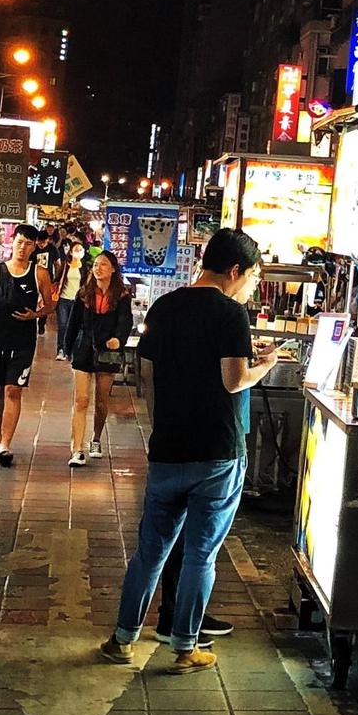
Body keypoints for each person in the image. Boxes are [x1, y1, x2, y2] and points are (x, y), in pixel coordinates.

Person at [99, 228, 272, 672]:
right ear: (235, 271)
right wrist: (265, 366)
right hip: (217, 452)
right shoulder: (231, 314)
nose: (250, 287)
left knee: (151, 550)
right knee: (200, 553)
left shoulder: (165, 306)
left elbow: (149, 376)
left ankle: (122, 639)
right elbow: (233, 380)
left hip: (168, 448)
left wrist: (164, 426)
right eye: (251, 278)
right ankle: (184, 647)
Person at [0, 224, 58, 467]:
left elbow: (50, 306)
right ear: (12, 242)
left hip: (23, 341)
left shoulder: (40, 274)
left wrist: (35, 315)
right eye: (19, 242)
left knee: (12, 390)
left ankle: (6, 443)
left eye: (28, 244)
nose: (22, 247)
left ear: (33, 248)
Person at [69, 248, 134, 467]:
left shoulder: (122, 295)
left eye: (104, 264)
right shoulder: (84, 292)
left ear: (113, 269)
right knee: (81, 400)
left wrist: (119, 339)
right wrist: (66, 348)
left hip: (108, 351)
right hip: (84, 348)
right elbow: (73, 322)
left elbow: (126, 321)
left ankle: (96, 438)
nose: (98, 268)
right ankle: (76, 449)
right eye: (96, 264)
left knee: (101, 400)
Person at [55, 236, 87, 360]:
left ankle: (71, 350)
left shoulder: (84, 267)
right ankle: (61, 350)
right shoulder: (65, 265)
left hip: (77, 301)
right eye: (76, 250)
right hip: (63, 299)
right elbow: (57, 280)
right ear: (71, 252)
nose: (79, 252)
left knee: (74, 326)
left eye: (81, 250)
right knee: (63, 325)